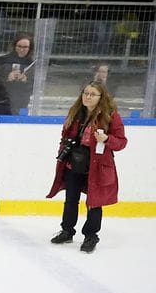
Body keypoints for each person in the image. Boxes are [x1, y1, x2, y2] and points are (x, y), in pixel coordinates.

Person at [46, 82, 127, 253]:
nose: (87, 97)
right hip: (73, 163)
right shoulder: (76, 113)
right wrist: (63, 151)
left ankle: (91, 236)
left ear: (101, 97)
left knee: (94, 203)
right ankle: (67, 231)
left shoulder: (111, 116)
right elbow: (65, 134)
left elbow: (121, 142)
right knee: (71, 200)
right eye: (85, 93)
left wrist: (106, 139)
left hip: (96, 166)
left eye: (92, 94)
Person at [0, 35, 34, 115]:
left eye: (25, 47)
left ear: (29, 48)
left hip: (22, 102)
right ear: (14, 46)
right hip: (2, 100)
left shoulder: (32, 64)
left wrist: (25, 81)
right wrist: (6, 78)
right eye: (19, 46)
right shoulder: (2, 61)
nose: (21, 49)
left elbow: (36, 86)